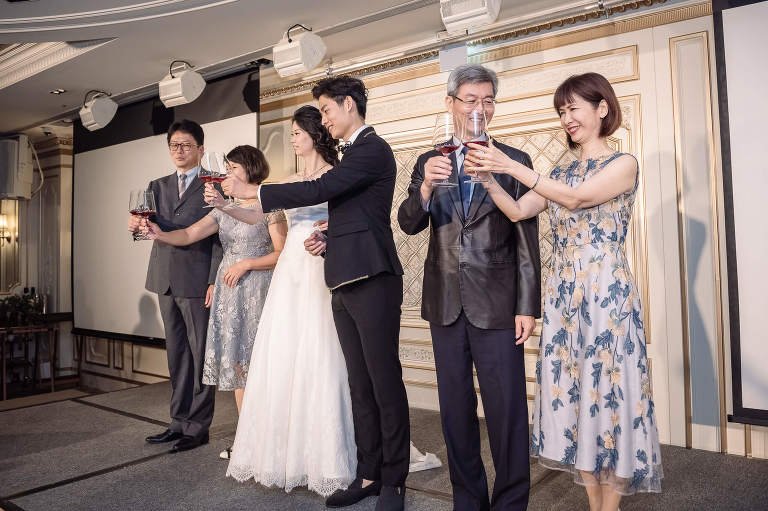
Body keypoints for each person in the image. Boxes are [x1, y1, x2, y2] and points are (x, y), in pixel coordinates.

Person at [464, 72, 662, 511]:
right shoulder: (560, 171)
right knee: (575, 397)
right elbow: (519, 210)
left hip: (606, 295)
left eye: (573, 108)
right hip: (565, 295)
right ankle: (595, 505)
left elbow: (576, 199)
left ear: (602, 108)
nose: (566, 118)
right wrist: (490, 179)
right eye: (561, 111)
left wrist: (510, 166)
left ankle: (609, 508)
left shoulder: (622, 164)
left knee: (610, 395)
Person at [216, 76, 410, 511]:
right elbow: (351, 212)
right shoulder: (352, 155)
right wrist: (329, 234)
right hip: (339, 275)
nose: (324, 120)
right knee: (359, 385)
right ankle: (369, 474)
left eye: (326, 110)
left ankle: (395, 481)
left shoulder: (372, 149)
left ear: (348, 104)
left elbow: (320, 190)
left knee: (383, 383)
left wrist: (254, 191)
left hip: (373, 277)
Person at [397, 64, 541, 511]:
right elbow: (408, 222)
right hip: (444, 302)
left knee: (507, 410)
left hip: (498, 303)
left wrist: (527, 305)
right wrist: (425, 186)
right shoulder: (430, 160)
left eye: (488, 100)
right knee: (455, 411)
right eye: (471, 100)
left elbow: (526, 236)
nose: (481, 109)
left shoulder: (514, 161)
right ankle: (468, 500)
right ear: (451, 103)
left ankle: (511, 503)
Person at [217, 106, 356, 496]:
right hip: (290, 271)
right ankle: (283, 453)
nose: (292, 139)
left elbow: (349, 220)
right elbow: (256, 216)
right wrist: (222, 203)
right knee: (284, 353)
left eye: (296, 132)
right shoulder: (289, 181)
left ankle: (325, 454)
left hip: (320, 263)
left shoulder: (337, 177)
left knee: (322, 353)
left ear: (314, 134)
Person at [142, 145, 286, 459]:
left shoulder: (270, 205)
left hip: (258, 290)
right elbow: (189, 234)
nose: (227, 174)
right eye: (227, 168)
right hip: (230, 294)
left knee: (260, 365)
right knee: (238, 366)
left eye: (233, 168)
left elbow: (281, 253)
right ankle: (247, 439)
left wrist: (247, 264)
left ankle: (271, 438)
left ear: (249, 168)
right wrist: (158, 233)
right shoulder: (223, 208)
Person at [128, 119, 222, 453]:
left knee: (200, 355)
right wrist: (136, 225)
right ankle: (178, 422)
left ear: (200, 149)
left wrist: (213, 279)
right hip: (164, 278)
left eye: (185, 145)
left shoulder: (214, 185)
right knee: (177, 354)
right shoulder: (157, 185)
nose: (178, 151)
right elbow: (146, 228)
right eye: (173, 145)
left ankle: (198, 427)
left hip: (197, 280)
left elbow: (221, 237)